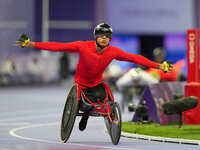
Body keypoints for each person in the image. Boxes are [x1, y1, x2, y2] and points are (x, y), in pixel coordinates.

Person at [15, 23, 172, 131]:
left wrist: (158, 66)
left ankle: (105, 116)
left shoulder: (114, 51)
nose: (104, 38)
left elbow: (135, 58)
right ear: (96, 37)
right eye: (101, 35)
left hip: (96, 83)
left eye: (107, 36)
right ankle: (84, 116)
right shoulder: (83, 46)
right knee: (86, 101)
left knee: (104, 96)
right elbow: (58, 46)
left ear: (110, 39)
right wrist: (32, 44)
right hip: (81, 84)